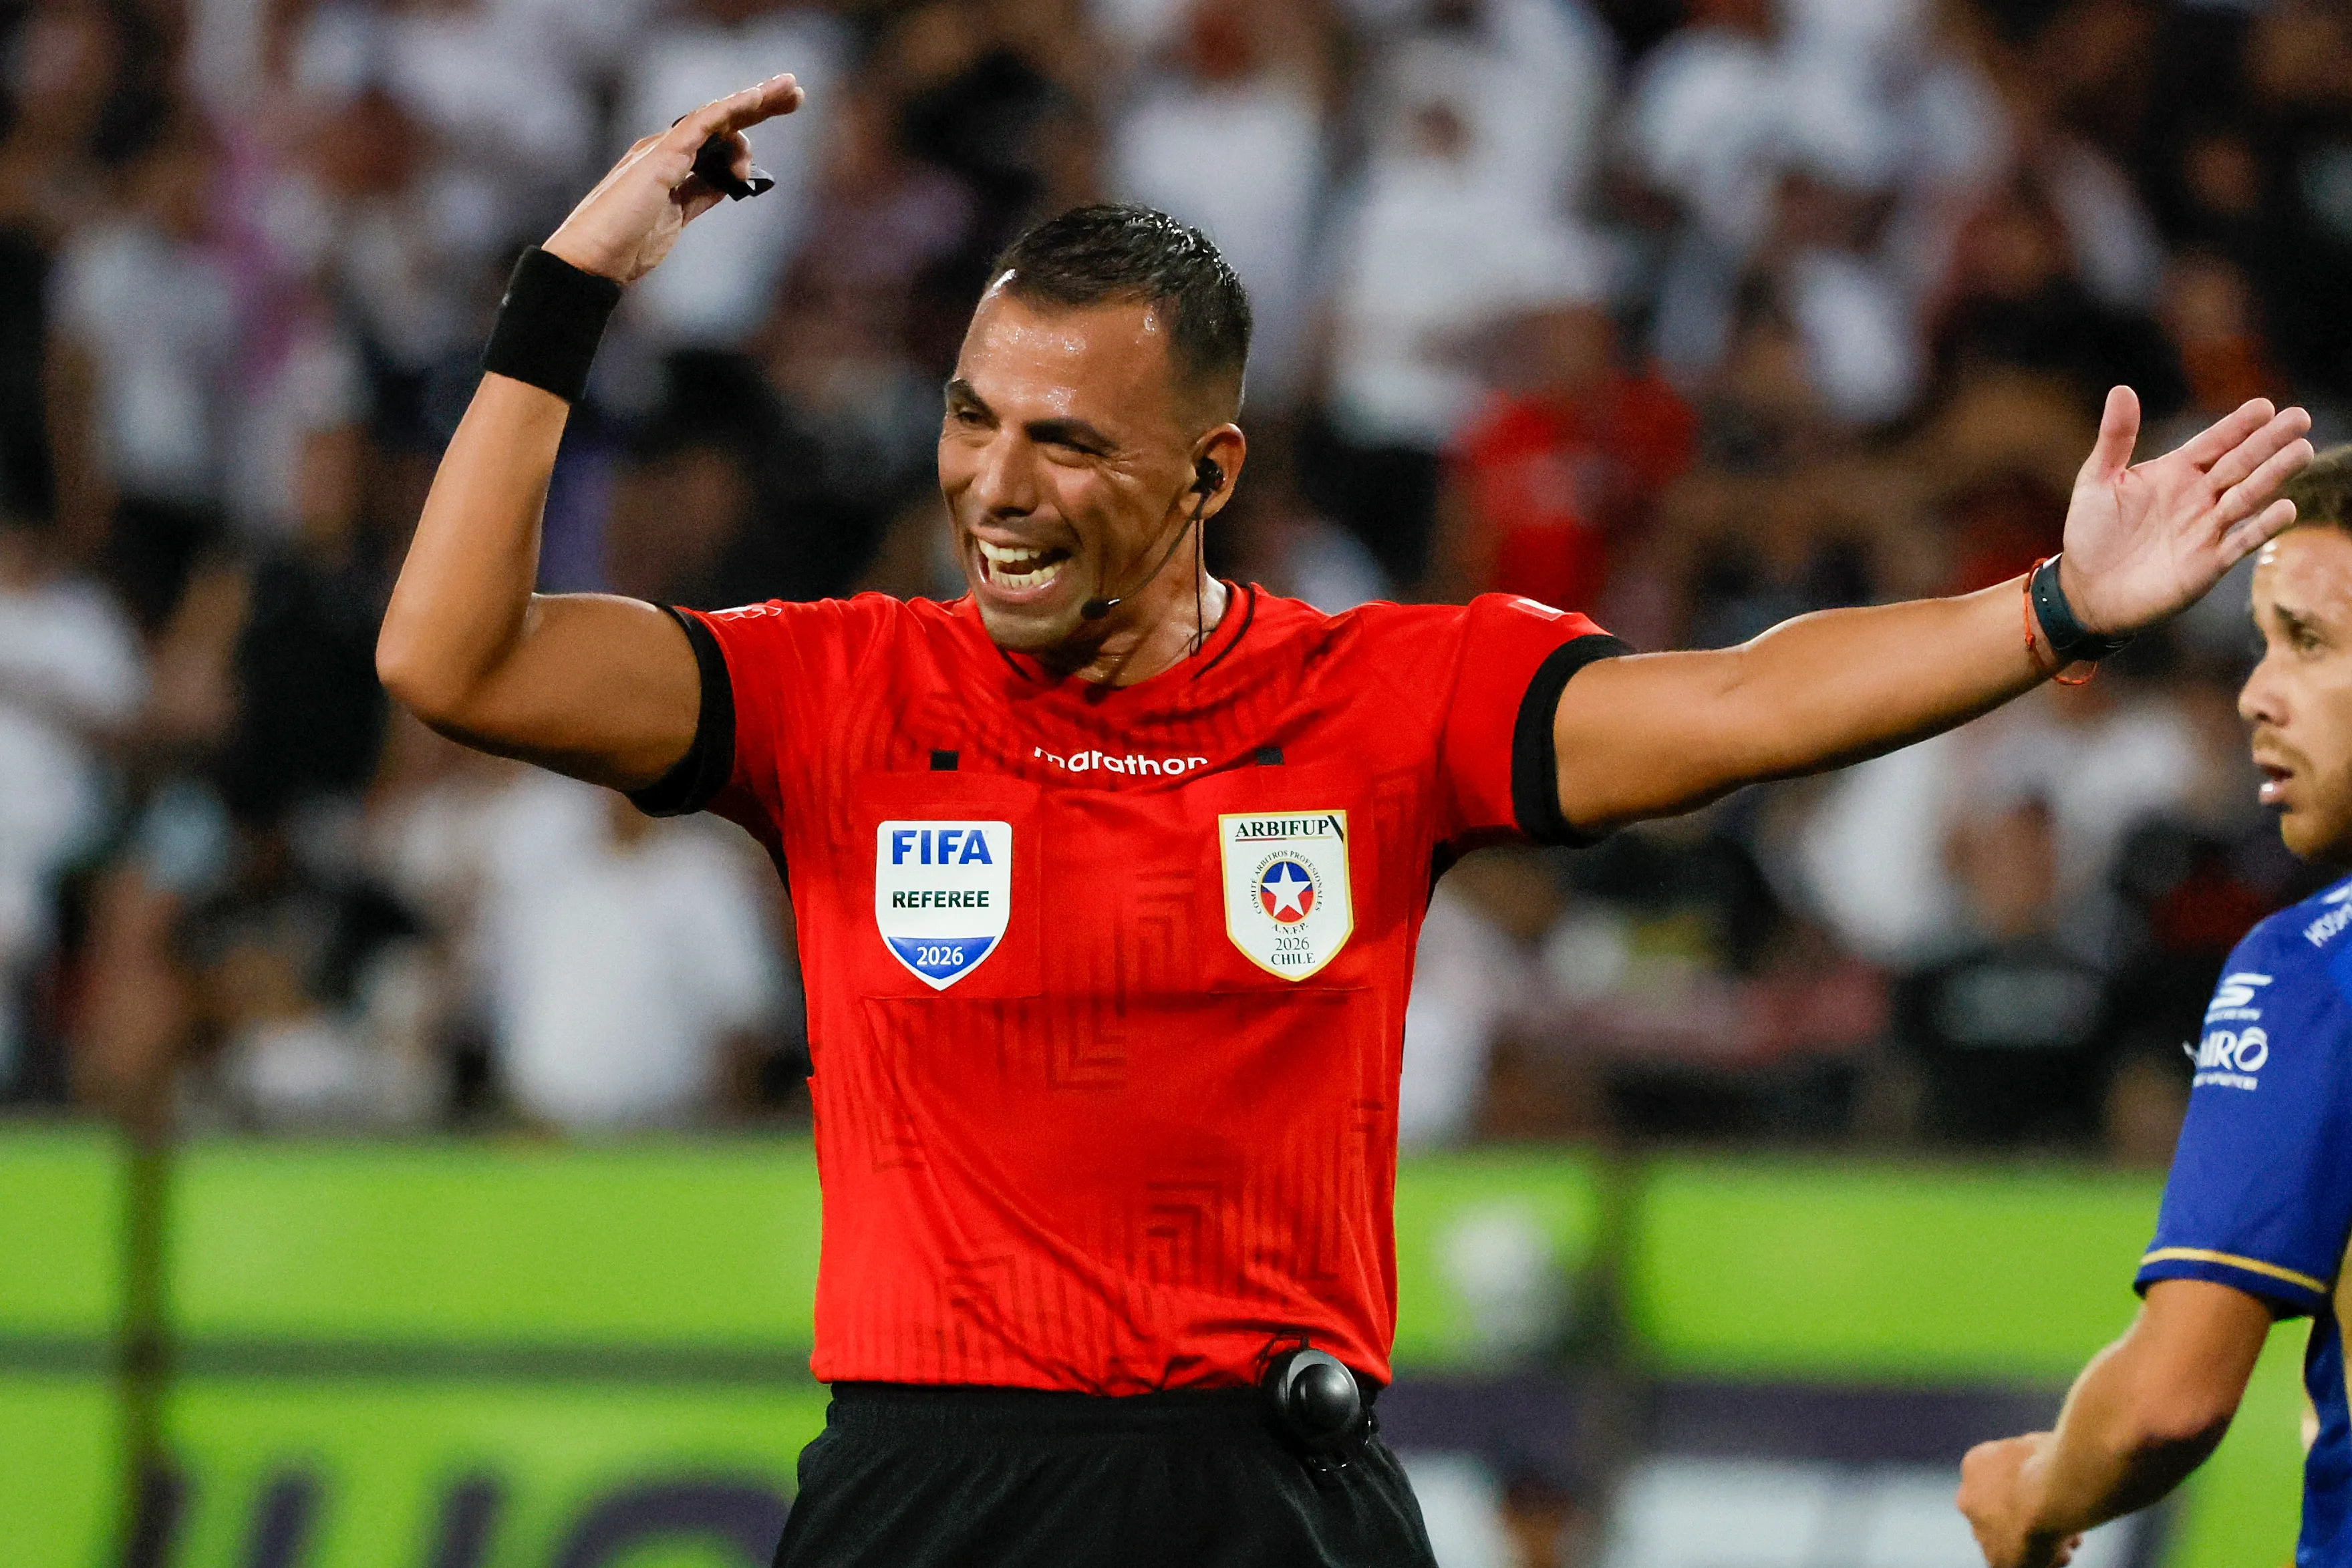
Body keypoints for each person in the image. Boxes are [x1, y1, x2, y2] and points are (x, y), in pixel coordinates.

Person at [374, 77, 2313, 1568]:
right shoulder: (838, 691)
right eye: (973, 419)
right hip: (928, 1486)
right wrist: (569, 293)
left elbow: (1737, 703)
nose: (998, 485)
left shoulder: (1381, 700)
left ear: (1208, 470)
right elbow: (452, 658)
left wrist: (2051, 610)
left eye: (1067, 441)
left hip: (1272, 1494)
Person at [1956, 445, 2352, 1567]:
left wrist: (2033, 1495)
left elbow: (2168, 1401)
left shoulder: (2319, 969)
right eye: (2262, 644)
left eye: (2308, 641)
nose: (2256, 694)